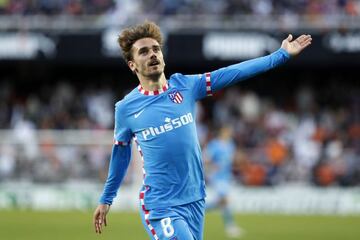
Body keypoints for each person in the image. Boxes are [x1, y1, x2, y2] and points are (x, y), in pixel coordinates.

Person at [93, 21, 312, 240]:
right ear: (132, 65)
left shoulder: (186, 86)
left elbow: (234, 72)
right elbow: (120, 154)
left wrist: (281, 55)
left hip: (195, 199)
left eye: (156, 49)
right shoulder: (126, 108)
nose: (152, 55)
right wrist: (107, 198)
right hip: (161, 205)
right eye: (143, 52)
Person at [204, 126, 243, 238]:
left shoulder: (231, 145)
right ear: (222, 132)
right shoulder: (214, 144)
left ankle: (200, 209)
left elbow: (231, 161)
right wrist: (211, 167)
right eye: (227, 131)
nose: (229, 133)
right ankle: (230, 227)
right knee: (225, 200)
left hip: (226, 177)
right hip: (217, 177)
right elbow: (206, 159)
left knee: (220, 203)